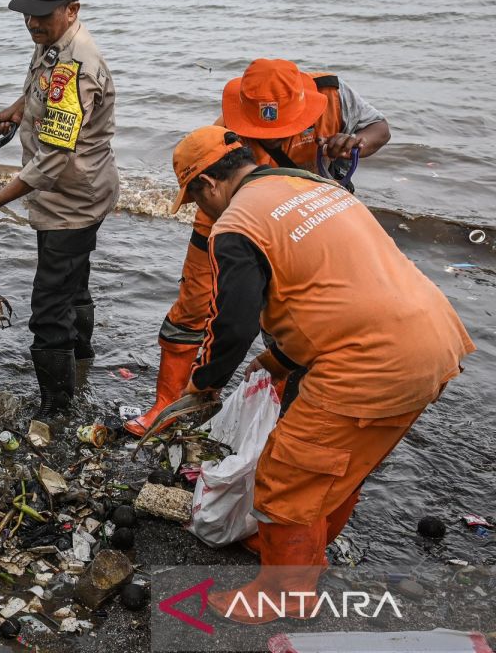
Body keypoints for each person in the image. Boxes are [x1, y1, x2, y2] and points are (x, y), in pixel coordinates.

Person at [167, 126, 473, 624]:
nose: (203, 211)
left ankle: (286, 594)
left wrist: (203, 386)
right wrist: (282, 359)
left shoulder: (237, 224)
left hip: (371, 363)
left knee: (284, 476)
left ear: (207, 184)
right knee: (341, 467)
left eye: (196, 198)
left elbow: (231, 326)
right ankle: (300, 558)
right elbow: (334, 288)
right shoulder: (313, 186)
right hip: (436, 342)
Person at [125, 58, 392, 436]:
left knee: (295, 312)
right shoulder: (222, 138)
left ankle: (281, 411)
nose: (277, 135)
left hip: (308, 219)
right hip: (233, 209)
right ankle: (169, 404)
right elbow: (212, 194)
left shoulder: (332, 95)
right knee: (194, 304)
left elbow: (380, 129)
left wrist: (355, 144)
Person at [0, 0, 118, 420]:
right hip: (71, 191)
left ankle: (56, 410)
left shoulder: (77, 66)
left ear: (72, 10)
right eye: (27, 13)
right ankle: (80, 368)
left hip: (73, 200)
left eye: (43, 15)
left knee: (49, 307)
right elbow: (42, 88)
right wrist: (18, 108)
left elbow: (51, 161)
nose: (32, 23)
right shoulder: (52, 42)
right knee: (72, 284)